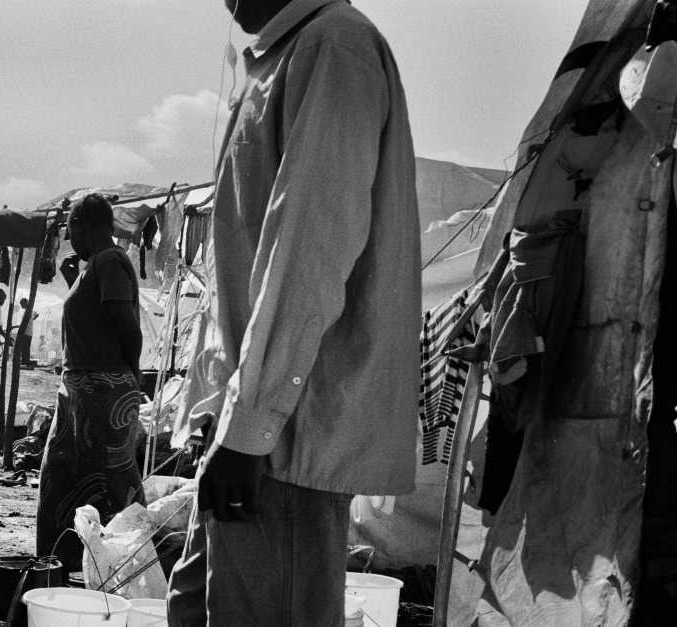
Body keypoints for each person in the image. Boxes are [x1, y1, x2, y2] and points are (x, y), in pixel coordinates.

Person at [166, 0, 420, 624]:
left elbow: (307, 249)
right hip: (250, 430)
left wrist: (250, 429)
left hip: (283, 442)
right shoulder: (284, 58)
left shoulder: (333, 46)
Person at [38, 194, 146, 576]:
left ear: (81, 223)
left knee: (108, 480)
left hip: (101, 389)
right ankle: (64, 563)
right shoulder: (94, 266)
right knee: (66, 476)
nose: (68, 235)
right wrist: (75, 279)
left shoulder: (110, 261)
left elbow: (127, 329)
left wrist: (126, 381)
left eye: (69, 227)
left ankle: (120, 565)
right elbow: (95, 319)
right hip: (85, 390)